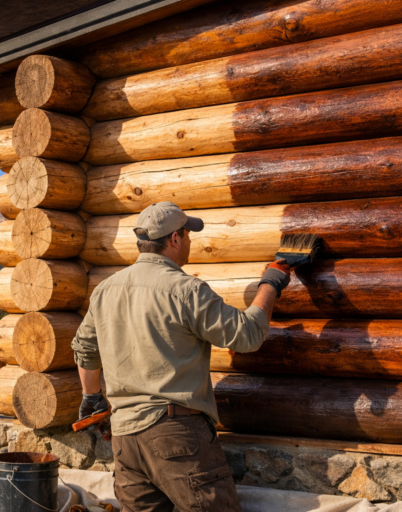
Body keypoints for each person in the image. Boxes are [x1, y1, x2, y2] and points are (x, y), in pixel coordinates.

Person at [71, 202, 290, 511]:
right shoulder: (186, 290)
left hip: (125, 441)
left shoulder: (105, 290)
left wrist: (91, 397)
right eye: (187, 235)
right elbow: (247, 335)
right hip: (177, 437)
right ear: (174, 239)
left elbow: (85, 350)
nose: (189, 241)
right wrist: (270, 283)